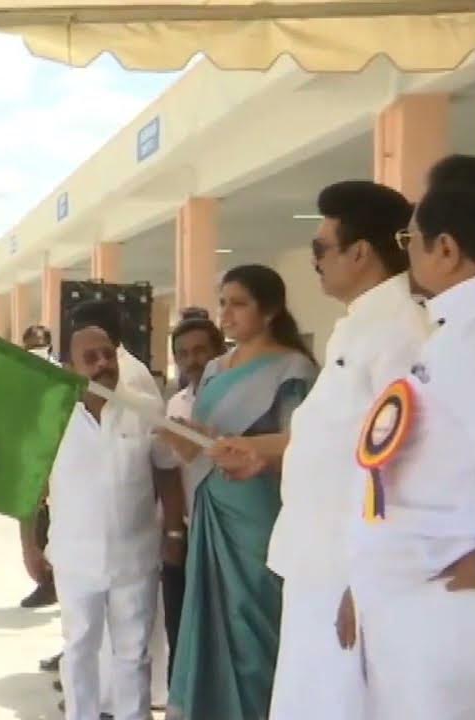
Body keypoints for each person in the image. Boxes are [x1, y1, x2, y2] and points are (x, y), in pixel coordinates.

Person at [205, 181, 424, 720]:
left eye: (321, 249)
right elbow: (338, 439)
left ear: (361, 252)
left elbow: (402, 466)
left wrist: (365, 578)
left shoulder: (401, 332)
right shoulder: (357, 328)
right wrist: (263, 451)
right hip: (315, 560)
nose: (315, 262)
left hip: (348, 571)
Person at [343, 182, 475, 720]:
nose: (406, 252)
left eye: (411, 237)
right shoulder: (453, 330)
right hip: (416, 612)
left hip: (449, 614)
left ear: (445, 249)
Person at [157, 264, 317, 720]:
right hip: (211, 506)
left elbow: (302, 445)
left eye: (239, 303)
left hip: (259, 514)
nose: (226, 313)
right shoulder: (212, 369)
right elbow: (203, 448)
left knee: (254, 626)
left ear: (269, 311)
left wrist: (244, 448)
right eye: (223, 302)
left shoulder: (293, 368)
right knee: (211, 622)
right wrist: (189, 438)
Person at [21, 323, 171, 720]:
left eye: (108, 354)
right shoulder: (49, 413)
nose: (103, 363)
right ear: (71, 366)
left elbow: (167, 471)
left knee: (132, 654)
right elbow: (30, 486)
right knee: (80, 649)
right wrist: (29, 547)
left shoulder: (145, 407)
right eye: (91, 357)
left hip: (135, 559)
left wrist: (174, 530)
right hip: (75, 560)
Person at [154, 310, 226, 680]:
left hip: (229, 540)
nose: (193, 360)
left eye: (201, 350)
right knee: (181, 636)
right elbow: (169, 471)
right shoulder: (176, 405)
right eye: (183, 353)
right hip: (186, 536)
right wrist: (175, 533)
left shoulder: (237, 399)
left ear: (219, 350)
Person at [19, 324, 58, 609]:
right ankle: (47, 581)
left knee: (51, 526)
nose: (36, 351)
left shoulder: (60, 377)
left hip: (56, 462)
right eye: (31, 347)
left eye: (40, 345)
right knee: (38, 523)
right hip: (34, 457)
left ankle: (50, 584)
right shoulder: (23, 376)